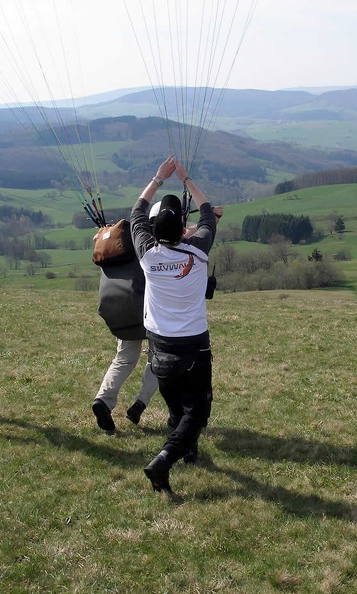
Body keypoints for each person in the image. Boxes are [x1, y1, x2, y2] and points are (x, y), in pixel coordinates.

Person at [130, 155, 217, 494]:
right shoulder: (198, 252)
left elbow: (137, 213)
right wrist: (187, 179)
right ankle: (164, 460)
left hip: (159, 344)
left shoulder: (147, 254)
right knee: (197, 410)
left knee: (176, 404)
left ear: (153, 232)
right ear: (184, 229)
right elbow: (208, 213)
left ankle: (188, 449)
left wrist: (157, 178)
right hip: (193, 344)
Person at [91, 235, 159, 435]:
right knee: (157, 359)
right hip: (150, 312)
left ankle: (103, 399)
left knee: (123, 359)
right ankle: (140, 403)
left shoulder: (118, 246)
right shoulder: (154, 244)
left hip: (121, 310)